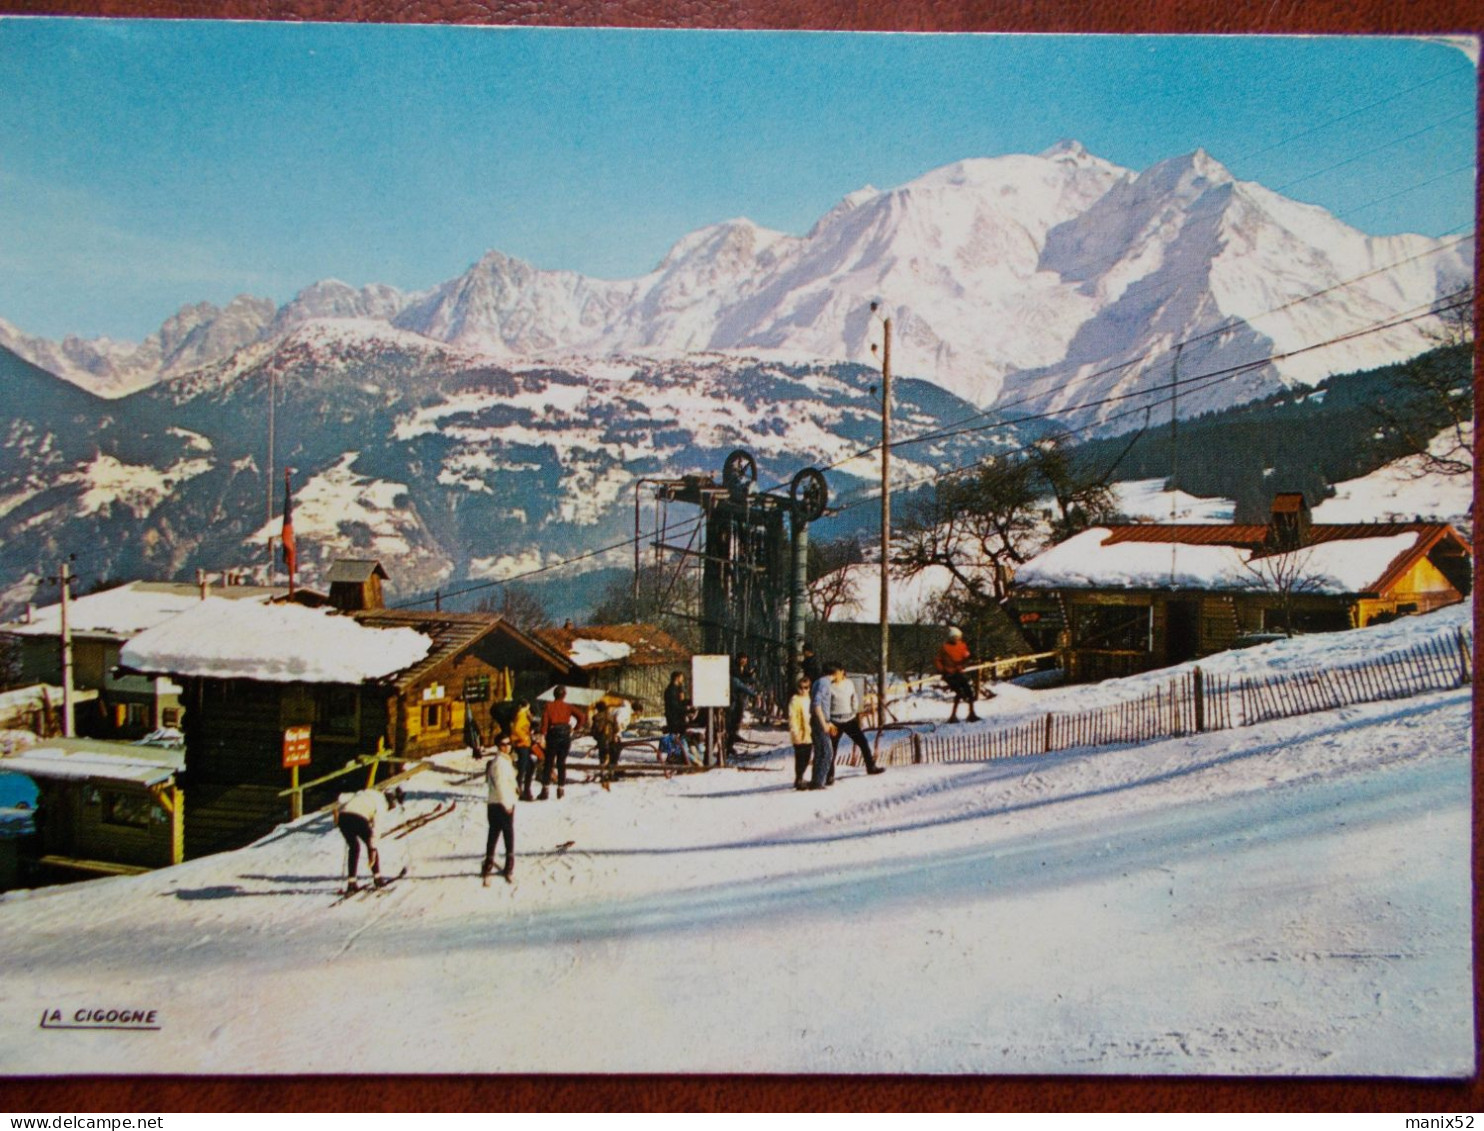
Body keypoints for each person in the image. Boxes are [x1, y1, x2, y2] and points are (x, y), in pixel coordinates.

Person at [334, 786, 402, 893]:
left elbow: (342, 797)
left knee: (354, 848)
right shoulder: (381, 803)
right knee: (371, 845)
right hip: (359, 818)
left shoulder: (366, 793)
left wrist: (338, 809)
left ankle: (351, 882)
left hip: (343, 817)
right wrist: (373, 848)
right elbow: (377, 827)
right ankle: (377, 878)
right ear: (389, 801)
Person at [826, 663, 884, 776]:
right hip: (835, 722)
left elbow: (854, 698)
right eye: (831, 674)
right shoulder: (828, 686)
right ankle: (829, 776)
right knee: (832, 749)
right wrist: (828, 721)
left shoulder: (849, 683)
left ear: (842, 672)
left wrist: (854, 709)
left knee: (863, 742)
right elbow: (825, 705)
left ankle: (871, 767)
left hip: (849, 720)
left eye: (835, 673)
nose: (834, 676)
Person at [539, 685, 586, 800]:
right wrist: (576, 728)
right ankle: (561, 789)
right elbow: (582, 716)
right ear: (564, 695)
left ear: (554, 694)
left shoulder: (549, 706)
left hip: (553, 734)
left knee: (549, 763)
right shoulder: (568, 706)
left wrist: (543, 732)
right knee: (562, 763)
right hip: (565, 734)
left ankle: (545, 789)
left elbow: (545, 721)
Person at [482, 736, 518, 883]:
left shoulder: (504, 761)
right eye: (504, 744)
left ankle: (489, 863)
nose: (508, 746)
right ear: (499, 746)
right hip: (501, 803)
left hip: (497, 802)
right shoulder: (500, 763)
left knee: (494, 832)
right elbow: (500, 785)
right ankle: (507, 864)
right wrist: (507, 804)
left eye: (509, 744)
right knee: (506, 833)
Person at [936, 626, 981, 723]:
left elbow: (966, 657)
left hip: (958, 672)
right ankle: (953, 716)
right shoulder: (944, 648)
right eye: (954, 637)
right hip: (949, 674)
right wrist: (943, 670)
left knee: (969, 692)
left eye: (957, 637)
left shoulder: (962, 646)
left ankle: (971, 713)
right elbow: (938, 660)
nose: (956, 638)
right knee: (959, 692)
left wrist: (966, 661)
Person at [807, 668, 836, 790]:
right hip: (820, 721)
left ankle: (816, 780)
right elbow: (816, 704)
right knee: (827, 752)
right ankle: (819, 781)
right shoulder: (824, 683)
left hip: (819, 720)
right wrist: (824, 723)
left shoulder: (818, 682)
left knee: (820, 752)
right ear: (837, 672)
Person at [727, 652, 758, 754]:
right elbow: (739, 681)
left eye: (745, 659)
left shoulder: (743, 669)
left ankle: (730, 742)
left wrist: (750, 675)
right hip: (733, 698)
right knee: (731, 722)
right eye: (742, 659)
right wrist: (749, 680)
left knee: (737, 721)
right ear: (738, 659)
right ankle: (728, 745)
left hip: (739, 698)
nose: (744, 661)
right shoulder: (734, 669)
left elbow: (745, 677)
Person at [787, 674, 814, 790]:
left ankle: (800, 777)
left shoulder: (809, 699)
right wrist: (795, 732)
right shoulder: (795, 700)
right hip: (799, 733)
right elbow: (792, 718)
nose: (803, 690)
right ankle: (798, 778)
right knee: (800, 757)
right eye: (801, 687)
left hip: (809, 733)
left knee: (807, 757)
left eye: (806, 687)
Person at [509, 698, 537, 802]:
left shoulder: (522, 715)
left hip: (524, 744)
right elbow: (516, 729)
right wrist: (524, 737)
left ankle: (525, 790)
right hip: (521, 744)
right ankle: (520, 791)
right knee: (523, 767)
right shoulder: (522, 715)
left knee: (529, 766)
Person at [590, 699, 622, 788]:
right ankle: (611, 773)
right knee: (612, 756)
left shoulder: (596, 717)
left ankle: (603, 774)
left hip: (602, 741)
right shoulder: (612, 717)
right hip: (611, 741)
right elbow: (616, 729)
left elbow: (593, 731)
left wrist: (597, 738)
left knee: (602, 757)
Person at [663, 670, 692, 737]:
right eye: (681, 677)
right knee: (678, 737)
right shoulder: (671, 690)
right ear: (677, 678)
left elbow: (681, 701)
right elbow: (674, 706)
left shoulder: (677, 689)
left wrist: (690, 702)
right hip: (675, 719)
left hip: (678, 718)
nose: (683, 679)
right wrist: (687, 709)